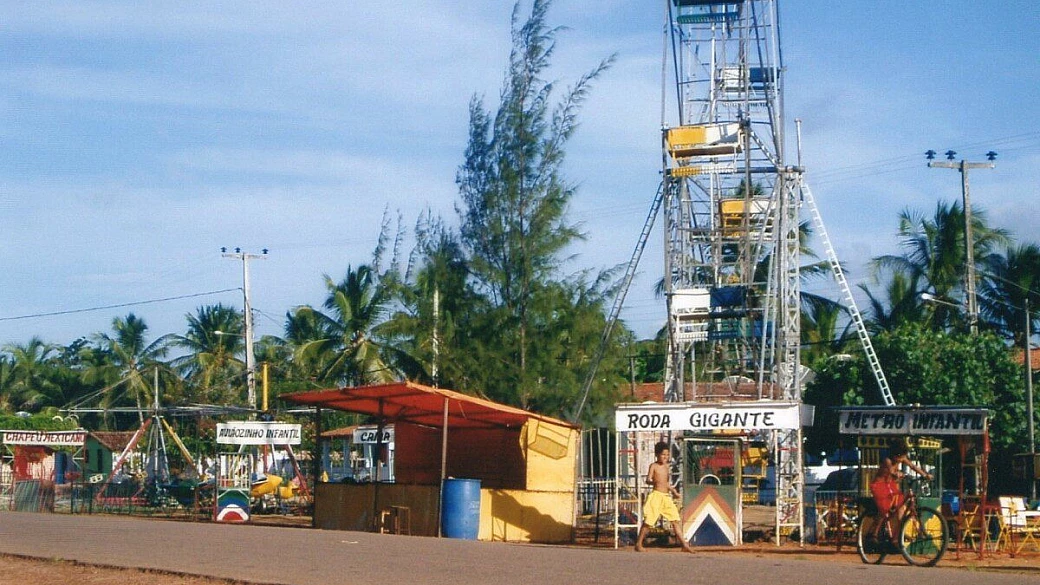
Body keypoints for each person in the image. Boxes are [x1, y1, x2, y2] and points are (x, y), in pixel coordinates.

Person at [635, 441, 694, 553]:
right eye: (663, 455)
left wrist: (674, 492)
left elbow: (666, 483)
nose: (665, 457)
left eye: (667, 455)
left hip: (666, 497)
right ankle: (638, 543)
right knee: (648, 521)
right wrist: (653, 482)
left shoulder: (666, 467)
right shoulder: (653, 466)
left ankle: (684, 545)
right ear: (657, 454)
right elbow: (648, 479)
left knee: (675, 520)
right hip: (656, 497)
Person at [870, 439, 931, 542]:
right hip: (880, 485)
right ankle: (874, 533)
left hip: (891, 485)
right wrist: (897, 473)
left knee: (901, 506)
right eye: (900, 457)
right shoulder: (887, 460)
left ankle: (900, 532)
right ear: (894, 455)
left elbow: (912, 466)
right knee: (885, 508)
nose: (901, 459)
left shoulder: (902, 457)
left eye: (903, 457)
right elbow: (891, 471)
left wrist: (924, 474)